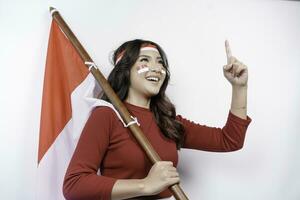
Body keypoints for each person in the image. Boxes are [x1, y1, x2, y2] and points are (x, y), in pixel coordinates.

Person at [63, 39, 251, 200]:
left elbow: (230, 140)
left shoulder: (168, 122)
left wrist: (239, 87)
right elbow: (74, 184)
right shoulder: (106, 115)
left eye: (161, 62)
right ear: (125, 70)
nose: (157, 68)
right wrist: (144, 185)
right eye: (145, 60)